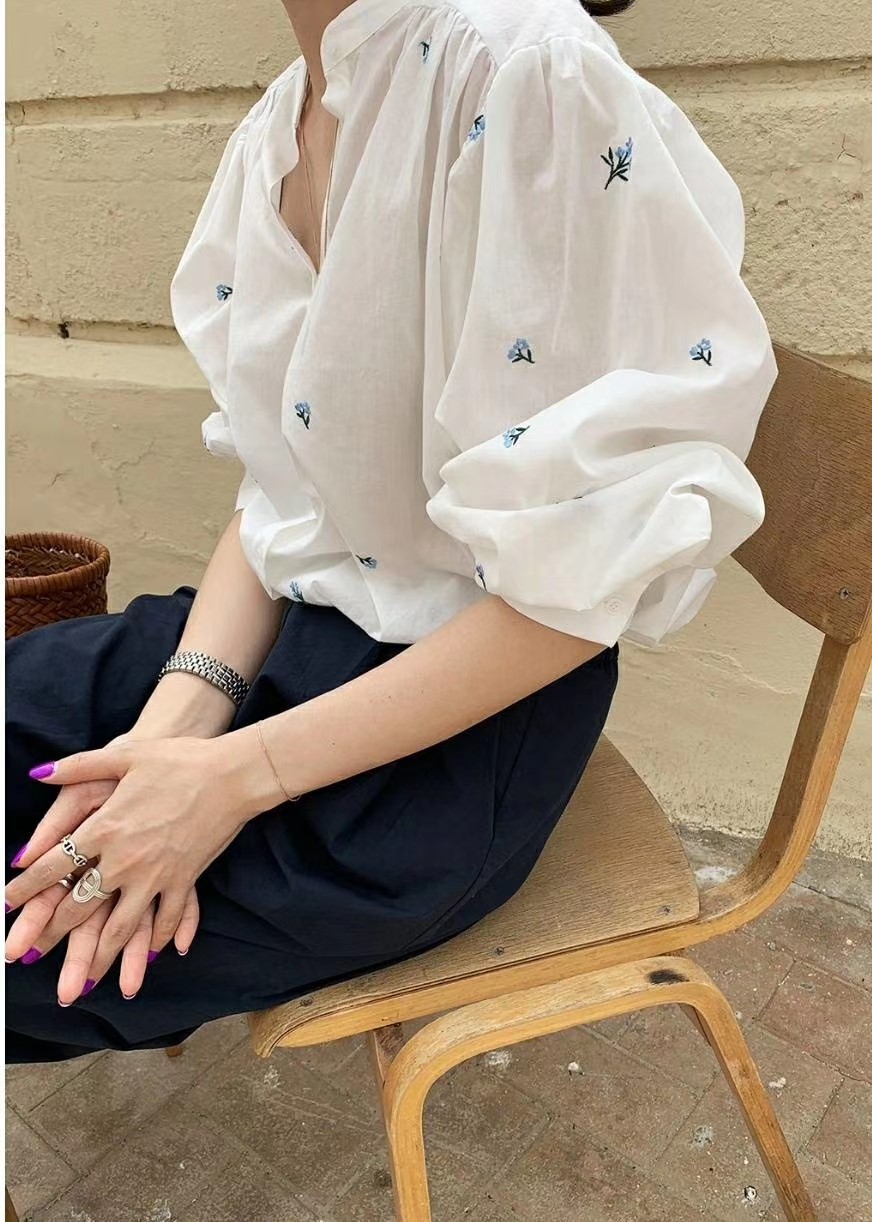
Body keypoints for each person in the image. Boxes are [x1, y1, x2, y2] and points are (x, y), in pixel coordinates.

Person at [5, 0, 775, 1062]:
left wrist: (228, 781)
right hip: (276, 639)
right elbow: (283, 495)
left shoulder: (525, 73)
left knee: (29, 958)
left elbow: (580, 586)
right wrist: (175, 727)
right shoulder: (285, 119)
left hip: (450, 738)